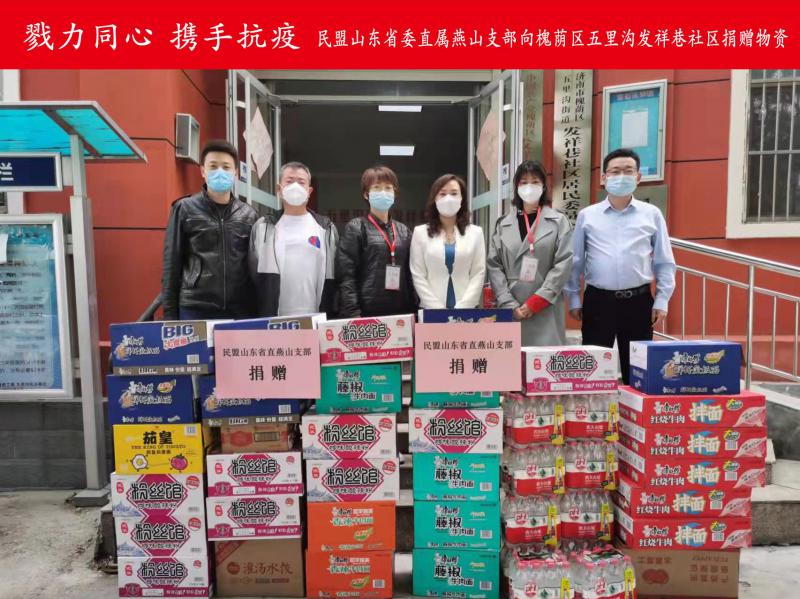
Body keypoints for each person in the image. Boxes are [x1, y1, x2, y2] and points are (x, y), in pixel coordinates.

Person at [565, 148, 676, 384]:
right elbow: (576, 262)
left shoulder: (652, 214)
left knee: (637, 374)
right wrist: (573, 298)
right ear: (604, 178)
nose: (621, 176)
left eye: (628, 171)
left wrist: (662, 299)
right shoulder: (587, 216)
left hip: (638, 302)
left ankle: (632, 408)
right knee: (592, 372)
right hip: (598, 301)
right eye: (615, 172)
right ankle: (594, 409)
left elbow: (664, 261)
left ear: (638, 177)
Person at [161, 139, 258, 320]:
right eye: (213, 166)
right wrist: (170, 315)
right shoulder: (185, 209)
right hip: (195, 308)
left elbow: (254, 267)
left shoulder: (249, 215)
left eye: (226, 167)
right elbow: (171, 265)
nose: (220, 171)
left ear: (235, 173)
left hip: (239, 310)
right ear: (203, 171)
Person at [487, 160, 573, 345]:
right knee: (511, 359)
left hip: (546, 307)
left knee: (544, 360)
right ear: (516, 187)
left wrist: (536, 302)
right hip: (511, 309)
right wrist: (508, 303)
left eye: (535, 182)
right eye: (524, 182)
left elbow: (564, 262)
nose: (529, 187)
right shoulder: (502, 224)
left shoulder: (558, 222)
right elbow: (494, 266)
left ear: (543, 186)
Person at [248, 161, 338, 317]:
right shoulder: (263, 227)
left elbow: (334, 275)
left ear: (309, 191)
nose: (295, 186)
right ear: (279, 189)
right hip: (273, 318)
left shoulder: (325, 229)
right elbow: (252, 275)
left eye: (301, 182)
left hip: (315, 316)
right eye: (289, 182)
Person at [337, 165, 416, 317]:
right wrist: (353, 313)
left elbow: (411, 275)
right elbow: (347, 276)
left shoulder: (404, 231)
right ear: (366, 194)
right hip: (366, 313)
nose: (383, 192)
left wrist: (415, 310)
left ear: (395, 193)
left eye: (388, 188)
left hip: (401, 313)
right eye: (377, 188)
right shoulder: (356, 227)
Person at [410, 174, 486, 309]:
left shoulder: (476, 233)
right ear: (435, 199)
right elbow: (418, 274)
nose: (448, 198)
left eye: (454, 193)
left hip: (466, 310)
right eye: (443, 194)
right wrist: (437, 309)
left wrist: (463, 307)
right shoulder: (420, 233)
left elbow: (478, 273)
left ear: (462, 199)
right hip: (431, 310)